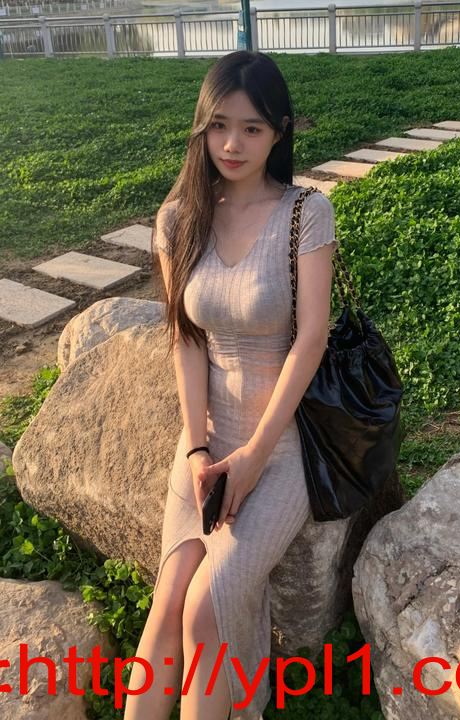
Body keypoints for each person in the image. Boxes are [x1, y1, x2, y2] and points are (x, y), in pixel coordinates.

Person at [124, 50, 338, 720]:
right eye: (218, 125)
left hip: (281, 446)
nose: (231, 144)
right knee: (168, 603)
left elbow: (310, 340)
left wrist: (252, 456)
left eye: (251, 128)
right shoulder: (177, 219)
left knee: (206, 608)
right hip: (207, 439)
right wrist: (197, 449)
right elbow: (186, 340)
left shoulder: (305, 213)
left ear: (279, 131)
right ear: (201, 127)